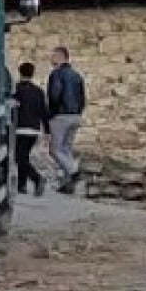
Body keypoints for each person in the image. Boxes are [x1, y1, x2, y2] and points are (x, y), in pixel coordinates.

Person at [47, 46, 86, 195]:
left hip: (61, 115)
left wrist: (51, 113)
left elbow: (54, 95)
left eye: (53, 56)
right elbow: (82, 98)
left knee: (55, 150)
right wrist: (78, 112)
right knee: (66, 149)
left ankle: (74, 171)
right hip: (76, 115)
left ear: (60, 57)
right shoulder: (77, 76)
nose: (51, 59)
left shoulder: (56, 74)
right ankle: (67, 184)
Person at [12, 62, 48, 196]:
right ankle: (22, 185)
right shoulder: (39, 92)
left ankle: (37, 178)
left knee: (19, 158)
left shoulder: (16, 90)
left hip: (20, 129)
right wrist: (47, 131)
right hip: (34, 130)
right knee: (24, 157)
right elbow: (44, 111)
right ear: (32, 74)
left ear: (20, 72)